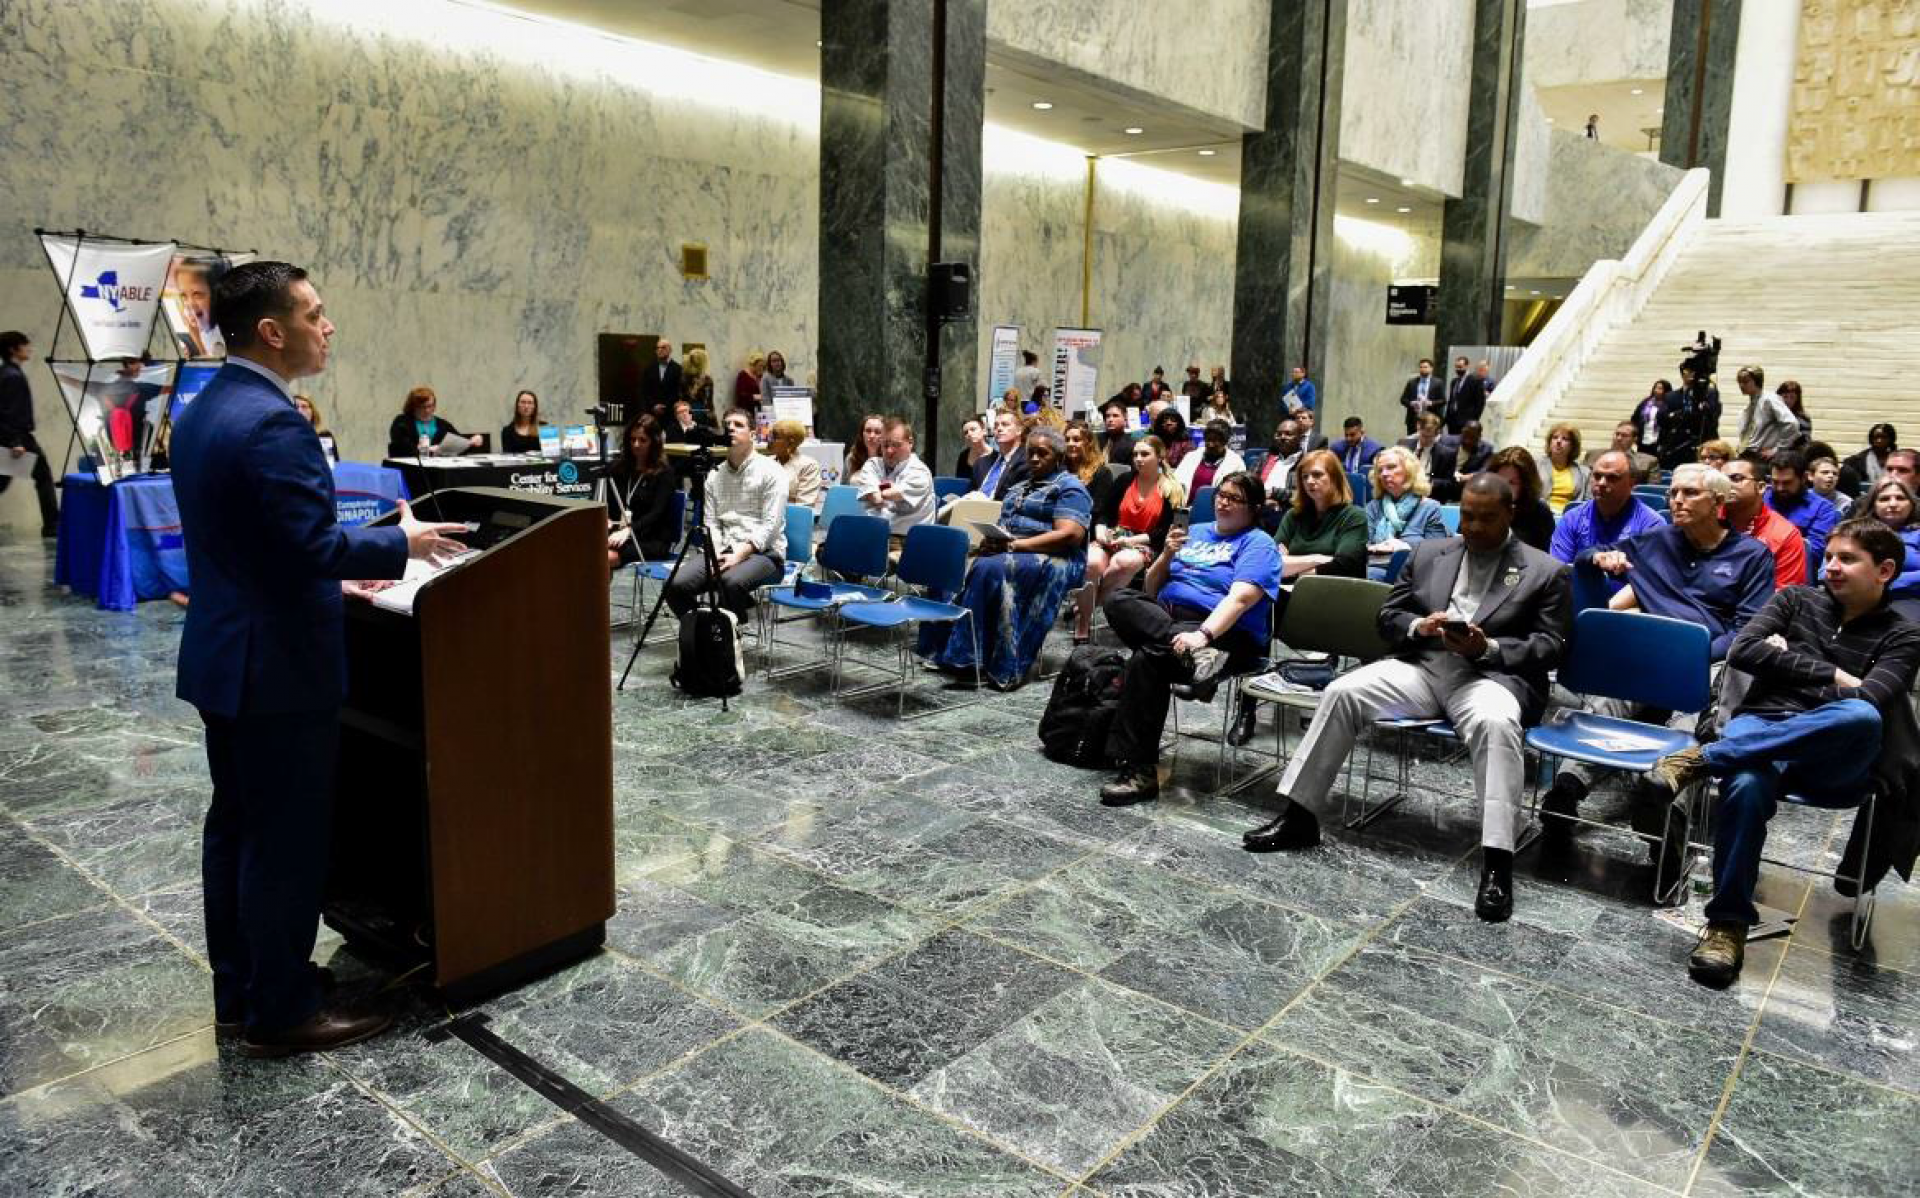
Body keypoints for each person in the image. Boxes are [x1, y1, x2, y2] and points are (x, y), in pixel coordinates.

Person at [172, 261, 467, 1057]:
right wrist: (400, 542)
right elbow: (309, 546)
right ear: (272, 331)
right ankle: (284, 1007)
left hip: (225, 655)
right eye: (316, 313)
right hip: (277, 668)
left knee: (234, 830)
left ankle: (243, 988)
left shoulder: (206, 406)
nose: (328, 326)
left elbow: (264, 536)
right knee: (284, 841)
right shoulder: (273, 422)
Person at [1242, 474, 1572, 924]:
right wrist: (1421, 627)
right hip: (1424, 667)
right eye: (1468, 517)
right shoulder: (1430, 553)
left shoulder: (1543, 570)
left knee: (1496, 725)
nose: (1473, 528)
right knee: (1342, 691)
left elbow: (1550, 645)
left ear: (1509, 514)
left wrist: (1487, 647)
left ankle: (1497, 862)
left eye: (1486, 519)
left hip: (1489, 677)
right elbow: (1389, 616)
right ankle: (1300, 817)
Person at [1654, 518, 1920, 987]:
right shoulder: (1795, 599)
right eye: (1831, 556)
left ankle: (1706, 758)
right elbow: (1744, 650)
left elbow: (1871, 700)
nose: (1831, 567)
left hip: (1833, 758)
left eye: (1847, 559)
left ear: (1885, 570)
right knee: (1747, 782)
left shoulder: (1903, 634)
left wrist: (1792, 666)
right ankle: (1727, 926)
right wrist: (1835, 677)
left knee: (1860, 719)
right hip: (1764, 726)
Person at [1540, 463, 1775, 835]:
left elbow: (1748, 630)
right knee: (1606, 701)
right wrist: (1600, 558)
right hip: (1649, 654)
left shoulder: (1751, 555)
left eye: (1689, 493)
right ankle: (1568, 789)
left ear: (1717, 502)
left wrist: (1692, 656)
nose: (1677, 500)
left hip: (1707, 658)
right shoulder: (1656, 541)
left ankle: (1671, 812)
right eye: (1674, 492)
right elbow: (1588, 556)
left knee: (1694, 716)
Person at [1097, 470, 1282, 805]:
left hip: (1225, 636)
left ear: (1254, 508)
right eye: (1221, 495)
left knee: (1146, 659)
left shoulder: (1259, 544)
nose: (1224, 502)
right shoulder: (1193, 532)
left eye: (1235, 498)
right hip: (1172, 626)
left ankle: (1138, 771)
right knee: (1117, 598)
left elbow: (1239, 599)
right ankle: (1193, 659)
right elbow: (1151, 590)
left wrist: (1203, 635)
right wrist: (1167, 555)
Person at [920, 427, 1091, 689]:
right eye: (1030, 453)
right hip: (1014, 548)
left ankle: (969, 658)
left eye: (1042, 454)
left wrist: (1015, 546)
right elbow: (1004, 526)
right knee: (948, 561)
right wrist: (994, 541)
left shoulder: (1070, 487)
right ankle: (940, 649)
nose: (1034, 458)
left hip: (1055, 556)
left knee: (989, 568)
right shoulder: (1018, 487)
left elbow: (1070, 535)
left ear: (1057, 457)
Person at [664, 408, 786, 621]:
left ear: (753, 435)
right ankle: (706, 632)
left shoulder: (772, 471)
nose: (731, 428)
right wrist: (716, 553)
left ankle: (729, 636)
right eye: (727, 424)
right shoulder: (714, 475)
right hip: (723, 549)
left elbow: (770, 525)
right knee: (674, 585)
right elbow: (711, 522)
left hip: (764, 554)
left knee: (728, 582)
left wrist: (739, 555)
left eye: (739, 425)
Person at [1079, 435, 1183, 640]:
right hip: (1115, 535)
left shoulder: (1173, 488)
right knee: (1091, 562)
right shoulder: (1125, 480)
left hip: (1145, 542)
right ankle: (1082, 624)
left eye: (1145, 454)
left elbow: (1165, 532)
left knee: (1124, 561)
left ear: (1160, 456)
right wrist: (1100, 530)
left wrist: (1130, 541)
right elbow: (1104, 512)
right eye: (1135, 454)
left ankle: (1085, 609)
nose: (1138, 459)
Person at [1549, 449, 1666, 565]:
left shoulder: (1651, 524)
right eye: (1597, 476)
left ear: (1632, 483)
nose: (1601, 483)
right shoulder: (1572, 519)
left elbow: (1651, 579)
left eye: (1612, 478)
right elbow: (1559, 572)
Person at [0, 331, 61, 536]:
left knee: (4, 479)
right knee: (43, 476)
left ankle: (52, 524)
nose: (29, 348)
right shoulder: (12, 377)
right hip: (19, 438)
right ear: (13, 349)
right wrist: (16, 442)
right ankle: (52, 526)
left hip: (13, 437)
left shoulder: (7, 373)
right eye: (24, 344)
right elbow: (10, 412)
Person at [1274, 449, 1368, 580]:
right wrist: (1318, 559)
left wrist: (1292, 569)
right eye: (1304, 476)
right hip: (1291, 591)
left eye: (1317, 475)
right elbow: (1273, 561)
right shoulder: (1293, 515)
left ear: (1335, 478)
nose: (1309, 481)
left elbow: (1345, 566)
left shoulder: (1354, 516)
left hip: (1336, 592)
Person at [1723, 453, 1807, 591]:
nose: (1727, 485)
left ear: (1761, 487)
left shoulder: (1785, 535)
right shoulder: (1706, 520)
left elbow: (1784, 599)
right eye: (1722, 480)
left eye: (1736, 478)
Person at [1363, 446, 1448, 581]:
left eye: (1391, 467)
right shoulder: (1373, 507)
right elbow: (1363, 546)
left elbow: (1438, 552)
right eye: (1380, 470)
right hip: (1373, 570)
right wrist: (1378, 546)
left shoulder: (1429, 508)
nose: (1384, 474)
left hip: (1413, 575)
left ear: (1409, 471)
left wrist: (1405, 547)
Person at [605, 414, 679, 568]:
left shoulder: (665, 473)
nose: (636, 445)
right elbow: (611, 502)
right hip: (622, 533)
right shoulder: (619, 469)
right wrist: (607, 519)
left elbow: (656, 513)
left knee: (603, 558)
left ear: (654, 442)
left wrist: (629, 531)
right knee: (586, 549)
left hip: (652, 539)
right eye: (632, 440)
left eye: (643, 440)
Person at [853, 416, 935, 541]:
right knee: (829, 550)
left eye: (896, 445)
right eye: (885, 445)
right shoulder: (873, 464)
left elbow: (884, 495)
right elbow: (876, 497)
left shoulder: (920, 472)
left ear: (910, 443)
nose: (890, 451)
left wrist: (876, 490)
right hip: (873, 534)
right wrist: (878, 493)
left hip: (908, 541)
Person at [1766, 449, 1839, 584]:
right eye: (1775, 482)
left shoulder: (1823, 508)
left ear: (1804, 478)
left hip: (1796, 574)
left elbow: (1813, 552)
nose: (1780, 488)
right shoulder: (1762, 499)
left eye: (1787, 483)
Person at [1860, 478, 1920, 620]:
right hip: (1859, 598)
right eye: (1884, 499)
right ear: (1873, 504)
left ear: (1911, 503)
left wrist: (1887, 582)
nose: (1893, 504)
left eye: (1900, 498)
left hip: (1908, 600)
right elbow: (1824, 572)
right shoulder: (1856, 532)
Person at [1487, 446, 1555, 553]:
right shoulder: (1480, 504)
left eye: (1512, 482)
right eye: (1499, 480)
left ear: (1526, 485)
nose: (1503, 487)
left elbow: (1545, 559)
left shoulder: (1540, 512)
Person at [386, 386, 481, 459]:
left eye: (430, 406)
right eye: (422, 407)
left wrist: (472, 441)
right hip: (410, 470)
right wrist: (426, 449)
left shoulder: (442, 424)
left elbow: (459, 442)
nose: (427, 410)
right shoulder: (402, 422)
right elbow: (401, 446)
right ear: (413, 406)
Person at [1734, 365, 1797, 459]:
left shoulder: (1769, 399)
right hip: (1747, 454)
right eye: (1739, 382)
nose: (1741, 385)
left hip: (1761, 456)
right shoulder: (1749, 408)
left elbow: (1791, 424)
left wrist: (1778, 449)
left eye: (1746, 382)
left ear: (1757, 381)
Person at [969, 408, 1028, 500]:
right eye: (996, 426)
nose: (999, 429)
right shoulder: (981, 463)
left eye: (1005, 424)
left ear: (1019, 430)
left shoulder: (1027, 461)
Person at [1175, 418, 1246, 494]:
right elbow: (1176, 480)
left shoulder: (1236, 463)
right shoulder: (1191, 457)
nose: (1210, 444)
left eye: (1215, 440)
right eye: (1208, 440)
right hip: (1185, 505)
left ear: (1225, 441)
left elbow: (1240, 491)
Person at [1429, 420, 1492, 504]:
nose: (1468, 441)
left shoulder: (1486, 449)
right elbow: (1434, 462)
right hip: (1442, 483)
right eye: (1466, 435)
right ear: (1462, 432)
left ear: (1479, 436)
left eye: (1472, 437)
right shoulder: (1446, 441)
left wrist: (1471, 476)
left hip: (1463, 488)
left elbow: (1486, 469)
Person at [768, 418, 822, 510]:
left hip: (791, 519)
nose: (770, 441)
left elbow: (804, 507)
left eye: (775, 437)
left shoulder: (808, 465)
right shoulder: (766, 462)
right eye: (770, 436)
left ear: (790, 442)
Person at [1258, 416, 1307, 519]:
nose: (1282, 437)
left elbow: (1303, 495)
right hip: (1259, 509)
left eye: (1288, 434)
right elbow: (1249, 485)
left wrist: (1274, 493)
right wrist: (1263, 500)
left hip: (1289, 513)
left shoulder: (1306, 463)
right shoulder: (1265, 459)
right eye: (1278, 434)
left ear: (1300, 438)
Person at [1064, 418, 1113, 514]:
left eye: (1076, 440)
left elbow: (1097, 510)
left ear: (1088, 443)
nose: (1070, 444)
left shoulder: (1101, 473)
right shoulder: (1061, 468)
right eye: (1067, 440)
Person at [1539, 422, 1589, 515]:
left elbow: (1587, 502)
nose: (1558, 441)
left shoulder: (1584, 472)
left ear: (1572, 446)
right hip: (1541, 515)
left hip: (1570, 518)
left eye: (1565, 439)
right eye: (1555, 437)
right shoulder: (1536, 465)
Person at [1840, 422, 1895, 498]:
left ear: (1891, 439)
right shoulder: (1855, 461)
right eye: (1876, 437)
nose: (1879, 440)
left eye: (1883, 437)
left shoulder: (1899, 460)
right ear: (1871, 439)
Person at [1588, 421, 1656, 482]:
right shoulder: (1593, 455)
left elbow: (1652, 490)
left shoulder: (1649, 461)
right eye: (1617, 434)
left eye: (1624, 435)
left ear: (1634, 439)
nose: (1619, 438)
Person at [639, 338, 682, 422]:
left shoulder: (678, 369)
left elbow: (677, 391)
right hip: (652, 414)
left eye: (663, 347)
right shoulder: (649, 368)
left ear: (670, 350)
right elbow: (644, 390)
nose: (659, 350)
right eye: (657, 348)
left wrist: (665, 406)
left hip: (670, 414)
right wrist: (653, 406)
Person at [1397, 357, 1443, 434]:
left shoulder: (1438, 383)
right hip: (1413, 419)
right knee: (1412, 442)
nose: (1422, 369)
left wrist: (1431, 403)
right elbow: (1403, 399)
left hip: (1431, 419)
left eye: (1425, 367)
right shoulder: (1412, 382)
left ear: (1431, 368)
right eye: (1421, 367)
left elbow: (1443, 400)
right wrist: (1411, 403)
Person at [1628, 379, 1669, 459]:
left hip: (1657, 440)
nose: (1656, 390)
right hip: (1643, 438)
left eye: (1660, 388)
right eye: (1655, 388)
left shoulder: (1668, 404)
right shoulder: (1646, 402)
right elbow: (1635, 418)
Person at [1445, 356, 1486, 434]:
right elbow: (1452, 400)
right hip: (1452, 422)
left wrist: (1473, 420)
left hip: (1466, 422)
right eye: (1456, 367)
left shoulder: (1475, 380)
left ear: (1467, 366)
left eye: (1460, 367)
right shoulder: (1454, 382)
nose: (1458, 369)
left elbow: (1480, 403)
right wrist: (1447, 419)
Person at [1399, 411, 1445, 478]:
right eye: (1422, 435)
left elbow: (1448, 482)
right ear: (1418, 429)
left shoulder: (1445, 454)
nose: (1424, 440)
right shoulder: (1403, 445)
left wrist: (1428, 481)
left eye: (1429, 437)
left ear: (1436, 435)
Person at [1807, 450, 1853, 516]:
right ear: (1810, 476)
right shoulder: (1800, 498)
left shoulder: (1846, 503)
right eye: (1825, 472)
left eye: (1835, 474)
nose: (1831, 476)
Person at [293, 394, 337, 463]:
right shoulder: (284, 439)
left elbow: (330, 466)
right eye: (295, 407)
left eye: (304, 407)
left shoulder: (324, 436)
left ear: (312, 412)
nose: (299, 410)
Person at [499, 389, 543, 453]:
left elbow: (552, 453)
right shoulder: (507, 431)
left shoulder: (544, 427)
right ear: (517, 406)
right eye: (523, 402)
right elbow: (507, 458)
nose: (526, 406)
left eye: (530, 403)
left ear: (534, 406)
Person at [845, 412, 885, 479]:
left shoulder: (890, 459)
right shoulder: (851, 459)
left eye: (877, 432)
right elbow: (844, 487)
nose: (872, 436)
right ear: (862, 434)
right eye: (868, 431)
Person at [1098, 399, 1136, 464]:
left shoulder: (1131, 445)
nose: (1110, 419)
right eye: (1107, 416)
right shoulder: (1096, 440)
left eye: (1115, 416)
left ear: (1125, 419)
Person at [680, 347, 715, 417]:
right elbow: (709, 402)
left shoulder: (683, 377)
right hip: (697, 413)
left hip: (686, 413)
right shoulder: (707, 380)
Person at [1776, 380, 1811, 444]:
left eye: (1792, 397)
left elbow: (1805, 442)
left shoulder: (1803, 418)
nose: (1788, 400)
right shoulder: (1770, 416)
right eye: (1785, 396)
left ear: (1797, 399)